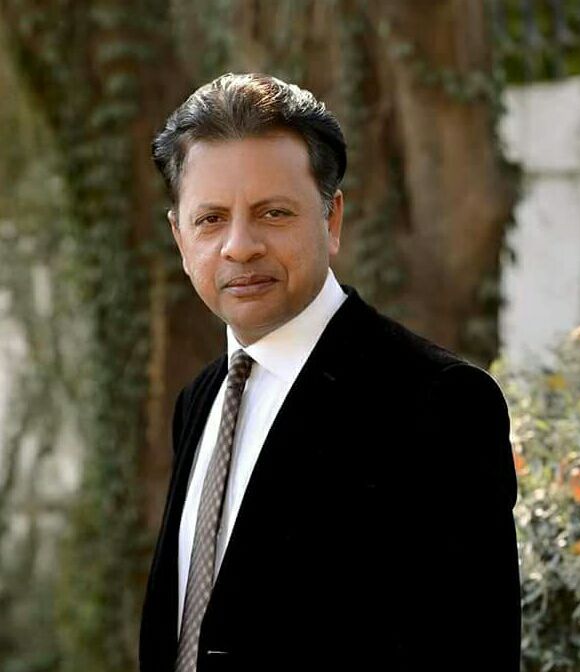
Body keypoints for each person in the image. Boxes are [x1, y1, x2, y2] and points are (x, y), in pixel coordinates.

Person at [138, 72, 521, 671]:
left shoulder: (437, 402)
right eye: (210, 219)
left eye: (273, 213)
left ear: (332, 219)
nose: (239, 246)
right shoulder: (200, 399)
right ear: (180, 238)